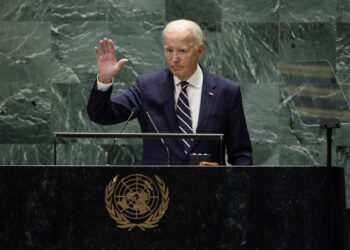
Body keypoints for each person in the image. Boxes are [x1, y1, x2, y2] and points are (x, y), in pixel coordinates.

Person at [87, 19, 252, 165]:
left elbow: (241, 154)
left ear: (199, 51)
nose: (174, 58)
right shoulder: (147, 86)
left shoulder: (226, 91)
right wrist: (104, 79)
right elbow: (102, 115)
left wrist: (234, 193)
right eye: (169, 50)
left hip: (210, 192)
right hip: (157, 192)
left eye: (182, 51)